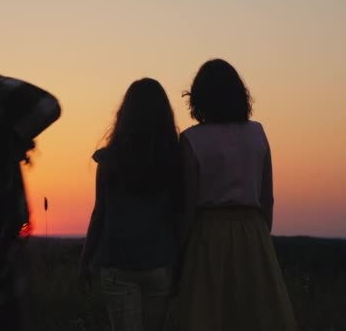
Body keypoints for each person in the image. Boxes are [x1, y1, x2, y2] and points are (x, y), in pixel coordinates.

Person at [175, 59, 298, 330]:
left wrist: (180, 251)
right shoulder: (257, 133)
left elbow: (188, 204)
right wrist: (260, 237)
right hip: (252, 233)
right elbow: (267, 198)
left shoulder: (191, 139)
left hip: (207, 236)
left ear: (198, 98)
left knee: (206, 315)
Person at [79, 78, 181, 331]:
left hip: (118, 265)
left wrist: (85, 259)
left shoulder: (109, 161)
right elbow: (180, 213)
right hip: (160, 263)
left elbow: (99, 213)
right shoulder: (174, 160)